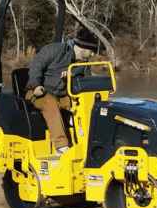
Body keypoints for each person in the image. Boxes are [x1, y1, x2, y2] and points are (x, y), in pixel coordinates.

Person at [25, 27, 103, 155]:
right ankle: (61, 147)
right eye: (92, 51)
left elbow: (86, 83)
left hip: (63, 95)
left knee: (84, 105)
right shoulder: (55, 50)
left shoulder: (84, 64)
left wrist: (73, 77)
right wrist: (35, 85)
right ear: (83, 48)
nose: (93, 55)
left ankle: (90, 142)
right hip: (41, 93)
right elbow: (36, 64)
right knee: (50, 104)